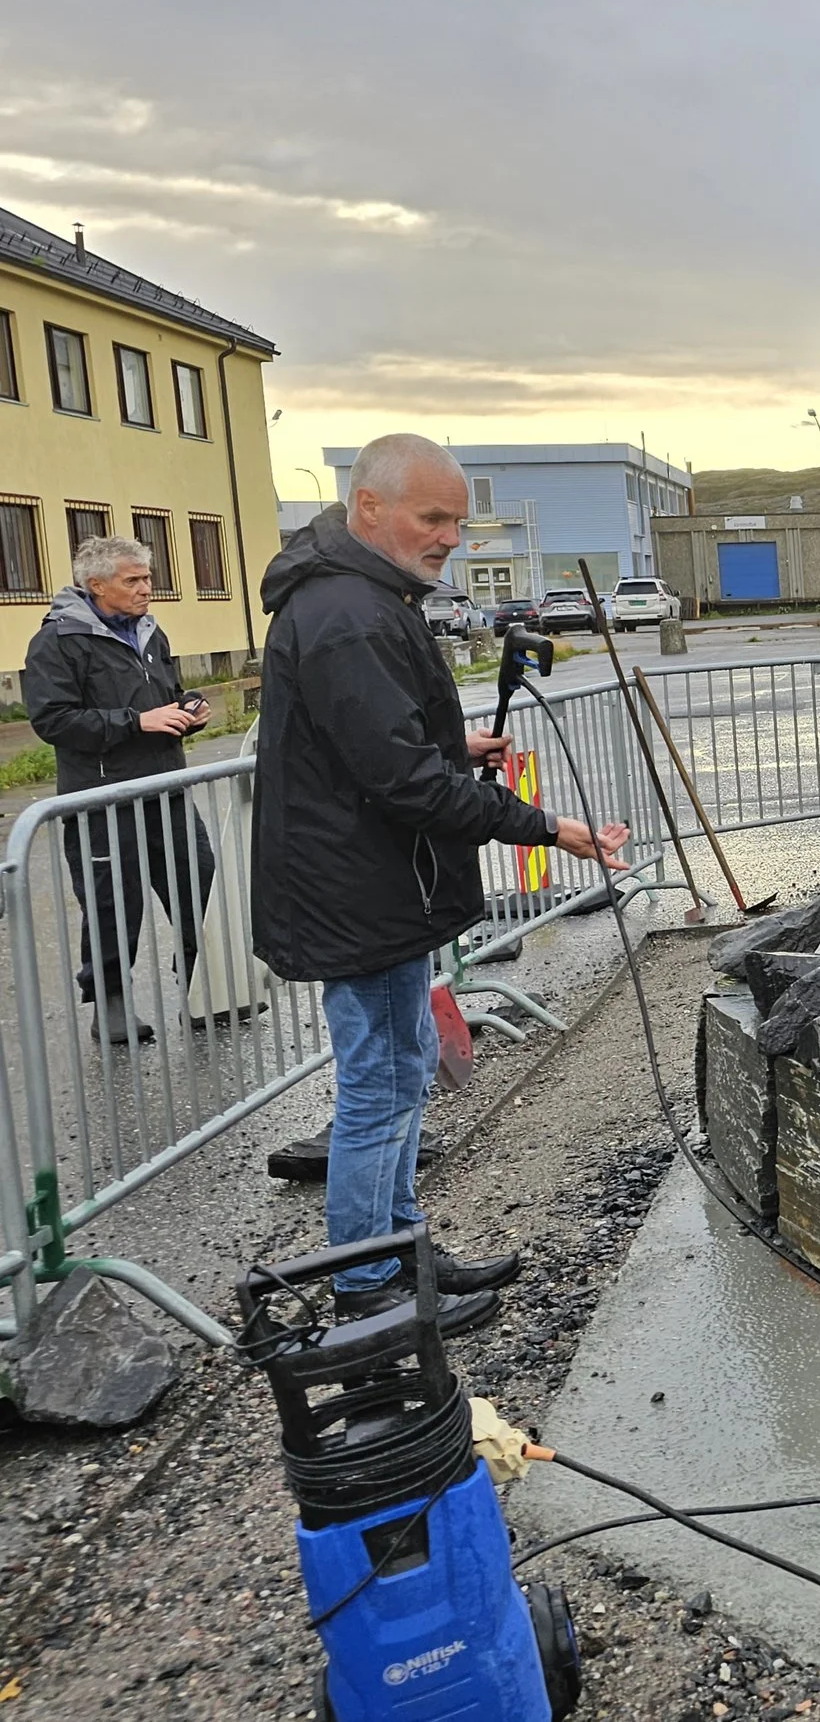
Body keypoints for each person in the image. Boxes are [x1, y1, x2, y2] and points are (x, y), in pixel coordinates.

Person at [254, 434, 629, 1328]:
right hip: (358, 891)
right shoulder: (346, 612)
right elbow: (402, 783)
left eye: (458, 520)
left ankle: (404, 1249)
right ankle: (368, 1287)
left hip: (381, 886)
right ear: (370, 508)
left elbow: (370, 743)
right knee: (380, 1085)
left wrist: (445, 743)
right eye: (433, 517)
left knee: (405, 1067)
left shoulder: (366, 597)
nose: (450, 537)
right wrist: (547, 827)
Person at [24, 535, 217, 1045]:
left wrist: (186, 711)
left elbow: (163, 701)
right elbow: (54, 720)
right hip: (103, 800)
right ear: (95, 585)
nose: (145, 588)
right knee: (113, 900)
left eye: (148, 577)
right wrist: (137, 722)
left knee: (199, 880)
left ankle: (203, 986)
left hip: (166, 789)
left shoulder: (151, 633)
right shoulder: (58, 641)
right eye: (132, 580)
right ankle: (109, 1002)